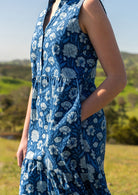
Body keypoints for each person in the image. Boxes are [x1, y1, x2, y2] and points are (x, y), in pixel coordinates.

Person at [16, 0, 127, 194]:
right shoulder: (45, 14)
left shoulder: (87, 6)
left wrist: (68, 124)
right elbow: (38, 82)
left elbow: (117, 79)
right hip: (38, 134)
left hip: (75, 133)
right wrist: (26, 136)